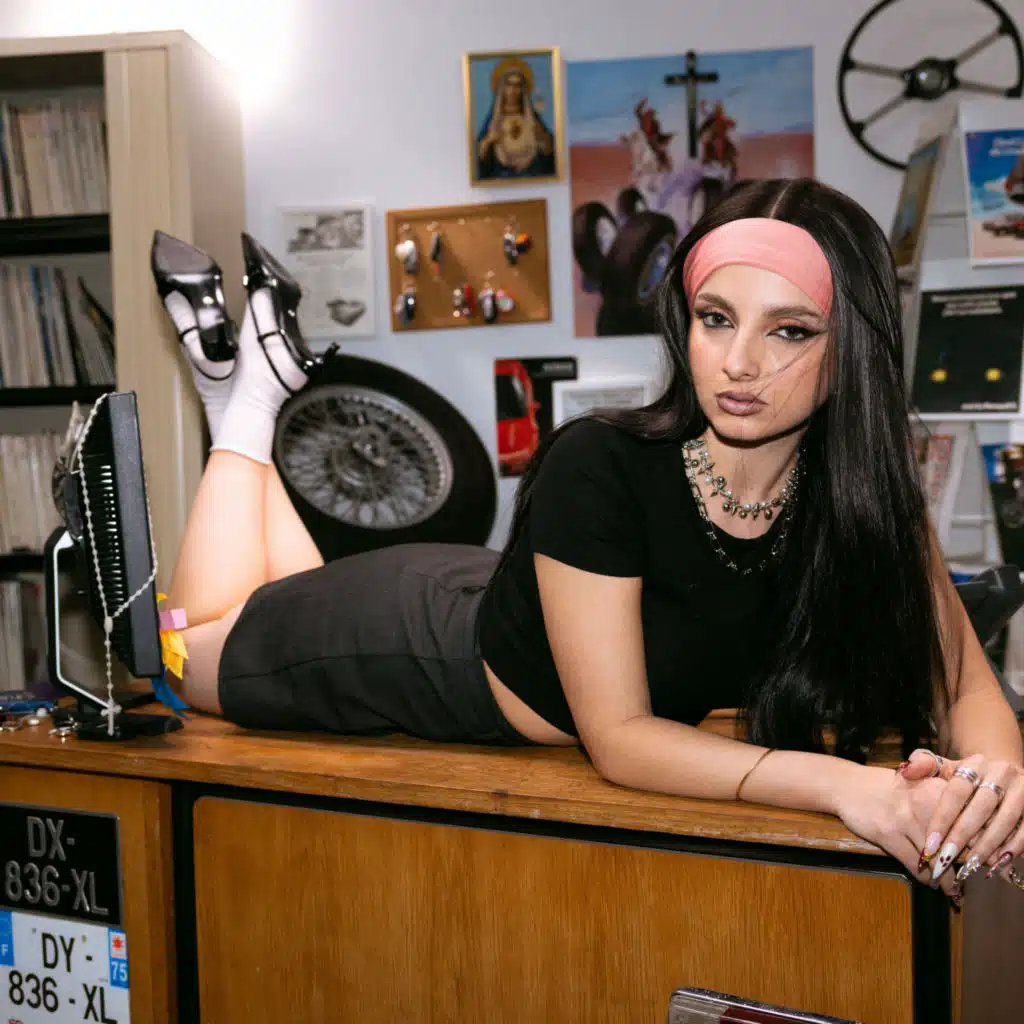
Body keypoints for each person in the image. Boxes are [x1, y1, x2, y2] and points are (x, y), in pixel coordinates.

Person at [151, 178, 1024, 909]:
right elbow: (621, 740)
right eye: (716, 318)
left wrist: (995, 793)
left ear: (852, 348)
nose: (740, 362)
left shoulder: (864, 497)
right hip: (411, 645)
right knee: (183, 656)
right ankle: (248, 402)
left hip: (521, 599)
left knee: (271, 596)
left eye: (789, 330)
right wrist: (850, 786)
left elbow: (963, 685)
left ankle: (240, 391)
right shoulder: (599, 463)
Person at [476, 58, 555, 179]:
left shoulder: (532, 119)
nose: (513, 91)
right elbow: (479, 158)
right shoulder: (494, 121)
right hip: (501, 178)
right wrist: (489, 140)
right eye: (508, 85)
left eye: (517, 86)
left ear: (523, 90)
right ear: (502, 89)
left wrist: (542, 138)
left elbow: (550, 155)